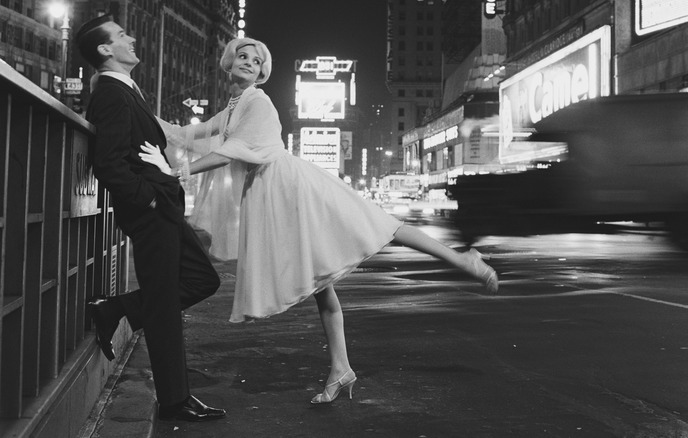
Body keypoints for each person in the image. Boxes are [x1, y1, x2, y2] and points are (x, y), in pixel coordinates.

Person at [141, 37, 499, 404]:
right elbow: (188, 135)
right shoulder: (233, 107)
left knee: (381, 227)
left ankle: (462, 260)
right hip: (271, 195)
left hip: (292, 189)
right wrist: (138, 106)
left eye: (257, 58)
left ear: (262, 71)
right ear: (229, 63)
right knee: (320, 281)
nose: (249, 61)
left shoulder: (257, 102)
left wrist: (179, 170)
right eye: (242, 56)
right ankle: (340, 367)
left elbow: (233, 150)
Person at [75, 15, 226, 422]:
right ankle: (175, 400)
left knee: (201, 279)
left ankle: (115, 308)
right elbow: (108, 162)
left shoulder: (127, 91)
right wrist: (150, 201)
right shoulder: (110, 92)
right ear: (106, 50)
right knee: (164, 303)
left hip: (163, 209)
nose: (132, 38)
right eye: (122, 35)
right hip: (152, 213)